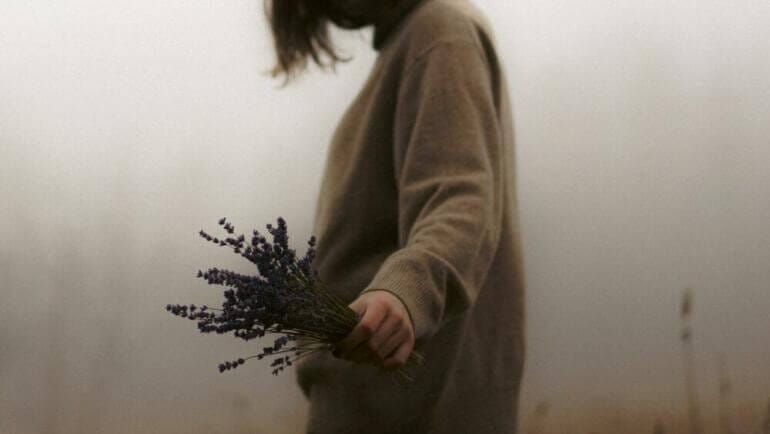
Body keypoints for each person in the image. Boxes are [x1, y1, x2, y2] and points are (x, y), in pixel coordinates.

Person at [264, 0, 526, 432]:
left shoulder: (440, 34)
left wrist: (404, 293)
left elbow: (458, 200)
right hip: (384, 404)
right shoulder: (414, 43)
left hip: (415, 409)